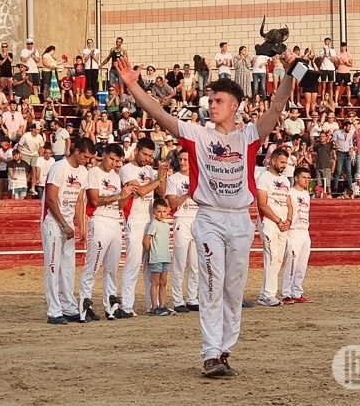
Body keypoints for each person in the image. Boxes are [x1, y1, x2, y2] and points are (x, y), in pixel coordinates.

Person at [115, 52, 294, 377]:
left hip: (239, 219)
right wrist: (133, 86)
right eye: (210, 101)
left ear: (234, 106)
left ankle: (225, 350)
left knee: (233, 289)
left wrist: (293, 73)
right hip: (209, 218)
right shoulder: (197, 135)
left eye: (218, 101)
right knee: (211, 284)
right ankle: (211, 354)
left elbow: (277, 105)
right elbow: (157, 113)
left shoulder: (248, 136)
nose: (211, 106)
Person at [42, 138, 96, 325]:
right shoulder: (59, 168)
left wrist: (80, 225)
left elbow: (80, 200)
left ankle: (68, 306)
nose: (87, 161)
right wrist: (64, 224)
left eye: (89, 158)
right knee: (53, 266)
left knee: (68, 267)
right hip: (53, 222)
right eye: (85, 157)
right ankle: (54, 310)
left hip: (68, 225)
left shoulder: (83, 172)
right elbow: (51, 199)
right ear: (77, 151)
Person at [79, 143, 135, 322]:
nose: (114, 163)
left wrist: (126, 194)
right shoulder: (94, 173)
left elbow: (119, 205)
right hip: (99, 220)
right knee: (93, 265)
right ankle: (85, 305)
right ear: (104, 155)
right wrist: (119, 195)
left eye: (117, 160)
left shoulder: (115, 177)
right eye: (112, 159)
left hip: (114, 221)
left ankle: (111, 305)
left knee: (112, 267)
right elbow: (94, 200)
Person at [117, 137, 166, 318]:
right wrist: (158, 179)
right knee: (133, 263)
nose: (147, 158)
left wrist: (162, 176)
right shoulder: (126, 169)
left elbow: (161, 192)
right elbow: (141, 191)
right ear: (136, 151)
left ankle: (151, 304)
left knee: (150, 265)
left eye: (150, 156)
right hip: (135, 220)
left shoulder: (149, 170)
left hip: (150, 221)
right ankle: (127, 305)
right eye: (145, 154)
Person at [257, 148, 292, 307]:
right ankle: (267, 294)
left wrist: (288, 220)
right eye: (282, 162)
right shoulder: (264, 177)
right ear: (272, 160)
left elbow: (289, 203)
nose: (284, 165)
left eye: (286, 163)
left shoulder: (285, 180)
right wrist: (278, 221)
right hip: (270, 222)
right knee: (271, 257)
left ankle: (267, 293)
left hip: (282, 224)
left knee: (278, 259)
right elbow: (262, 204)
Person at [166, 149, 200, 313]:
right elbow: (172, 203)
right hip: (182, 219)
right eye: (180, 159)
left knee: (195, 264)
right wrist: (187, 194)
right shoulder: (174, 179)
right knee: (179, 262)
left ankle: (192, 298)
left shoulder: (200, 177)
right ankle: (178, 299)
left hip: (198, 220)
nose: (182, 162)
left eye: (185, 159)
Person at [281, 167, 312, 304]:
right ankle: (286, 293)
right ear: (296, 178)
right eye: (304, 177)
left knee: (302, 264)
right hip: (293, 231)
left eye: (308, 178)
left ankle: (297, 292)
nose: (306, 180)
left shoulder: (306, 194)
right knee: (292, 263)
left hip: (305, 231)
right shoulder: (290, 193)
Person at [141, 197, 176, 316]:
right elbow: (146, 240)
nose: (162, 214)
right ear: (154, 212)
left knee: (163, 282)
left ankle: (162, 305)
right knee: (155, 282)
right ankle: (154, 307)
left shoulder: (166, 225)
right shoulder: (154, 224)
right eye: (159, 211)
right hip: (156, 258)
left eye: (164, 211)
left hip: (165, 258)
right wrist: (150, 253)